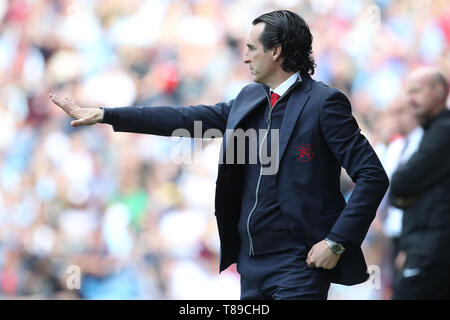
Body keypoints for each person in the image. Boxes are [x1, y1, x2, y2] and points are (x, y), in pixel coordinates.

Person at [50, 10, 389, 300]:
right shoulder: (250, 98)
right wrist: (108, 115)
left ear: (276, 52)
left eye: (251, 49)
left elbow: (373, 175)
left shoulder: (323, 104)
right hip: (251, 265)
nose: (244, 57)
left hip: (298, 264)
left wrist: (337, 242)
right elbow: (184, 119)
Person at [390, 67, 450, 300]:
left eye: (415, 91)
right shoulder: (433, 131)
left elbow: (400, 184)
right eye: (408, 92)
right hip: (425, 246)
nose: (410, 99)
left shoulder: (444, 132)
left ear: (438, 92)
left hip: (432, 250)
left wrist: (405, 195)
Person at [377, 95, 423, 291]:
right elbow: (384, 188)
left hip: (412, 233)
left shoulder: (423, 144)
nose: (395, 119)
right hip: (391, 230)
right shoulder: (396, 147)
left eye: (400, 112)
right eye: (392, 113)